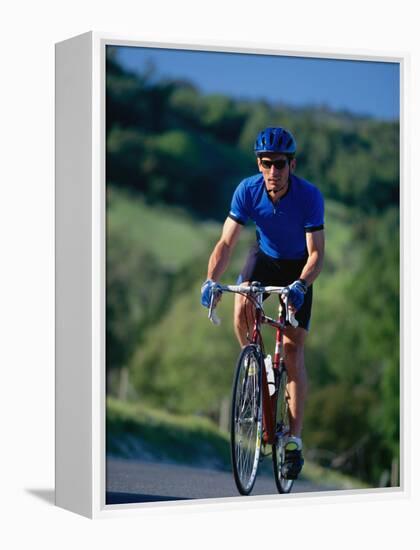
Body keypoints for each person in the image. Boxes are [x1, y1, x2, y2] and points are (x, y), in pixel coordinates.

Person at [200, 127, 325, 479]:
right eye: (267, 163)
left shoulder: (309, 196)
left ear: (292, 164)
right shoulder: (247, 191)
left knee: (291, 349)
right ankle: (255, 366)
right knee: (241, 302)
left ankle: (293, 442)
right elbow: (226, 244)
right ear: (259, 164)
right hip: (265, 258)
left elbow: (317, 254)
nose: (274, 172)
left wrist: (301, 284)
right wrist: (210, 280)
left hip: (299, 267)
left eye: (281, 164)